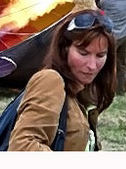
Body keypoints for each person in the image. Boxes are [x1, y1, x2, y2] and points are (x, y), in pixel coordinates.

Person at [9, 9, 116, 151]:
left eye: (100, 55)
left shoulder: (77, 93)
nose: (92, 65)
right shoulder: (50, 81)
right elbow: (22, 147)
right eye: (83, 53)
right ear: (64, 48)